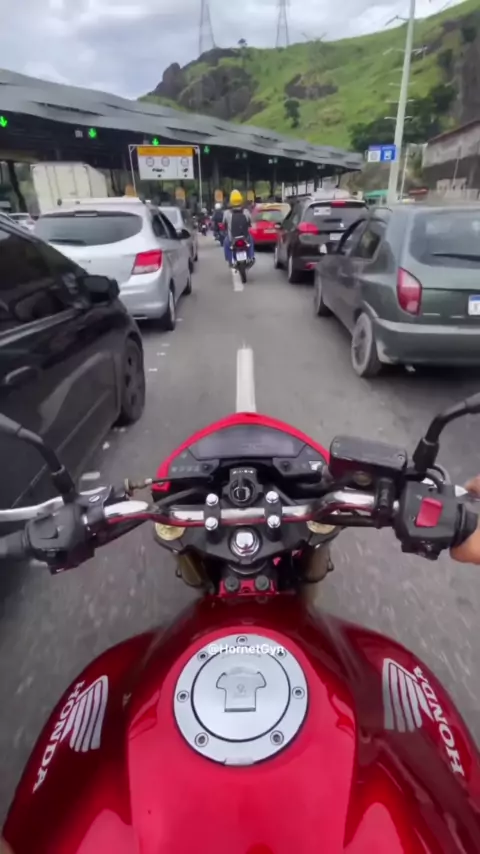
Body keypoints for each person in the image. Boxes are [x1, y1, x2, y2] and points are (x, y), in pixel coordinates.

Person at [223, 189, 255, 267]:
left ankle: (230, 260)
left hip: (232, 239)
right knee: (251, 240)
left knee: (226, 242)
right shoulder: (246, 211)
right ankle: (251, 257)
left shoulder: (227, 213)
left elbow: (224, 224)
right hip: (245, 238)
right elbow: (250, 222)